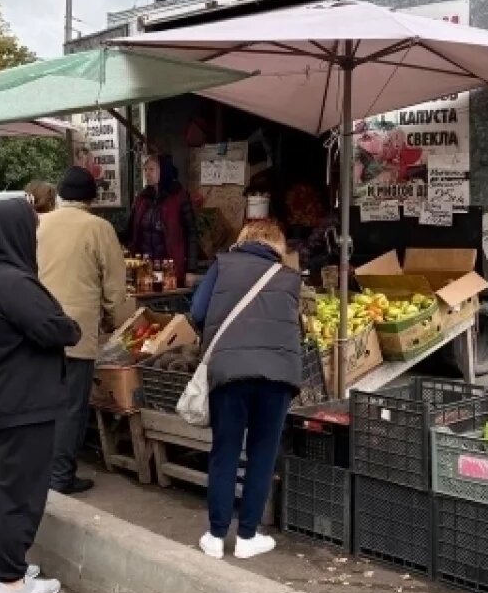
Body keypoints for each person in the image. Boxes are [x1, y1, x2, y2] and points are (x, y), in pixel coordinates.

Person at [0, 197, 81, 593]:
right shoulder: (13, 283)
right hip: (19, 406)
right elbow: (57, 329)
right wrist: (71, 324)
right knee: (20, 493)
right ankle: (11, 581)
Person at [189, 219, 302, 560]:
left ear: (244, 240)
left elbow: (196, 312)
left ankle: (215, 534)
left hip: (229, 372)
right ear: (277, 246)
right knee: (262, 454)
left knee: (225, 450)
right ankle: (248, 537)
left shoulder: (221, 265)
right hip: (277, 375)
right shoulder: (290, 278)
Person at [37, 166, 129, 495]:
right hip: (76, 332)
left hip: (38, 328)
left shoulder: (39, 223)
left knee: (42, 403)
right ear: (91, 198)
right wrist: (121, 323)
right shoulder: (98, 228)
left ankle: (37, 469)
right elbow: (115, 288)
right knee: (70, 406)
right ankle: (61, 475)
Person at [128, 154, 198, 286]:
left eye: (151, 169)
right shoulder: (141, 199)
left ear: (163, 171)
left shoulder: (179, 197)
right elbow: (130, 231)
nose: (147, 173)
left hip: (169, 267)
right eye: (145, 170)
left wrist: (191, 269)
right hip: (145, 267)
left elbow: (191, 233)